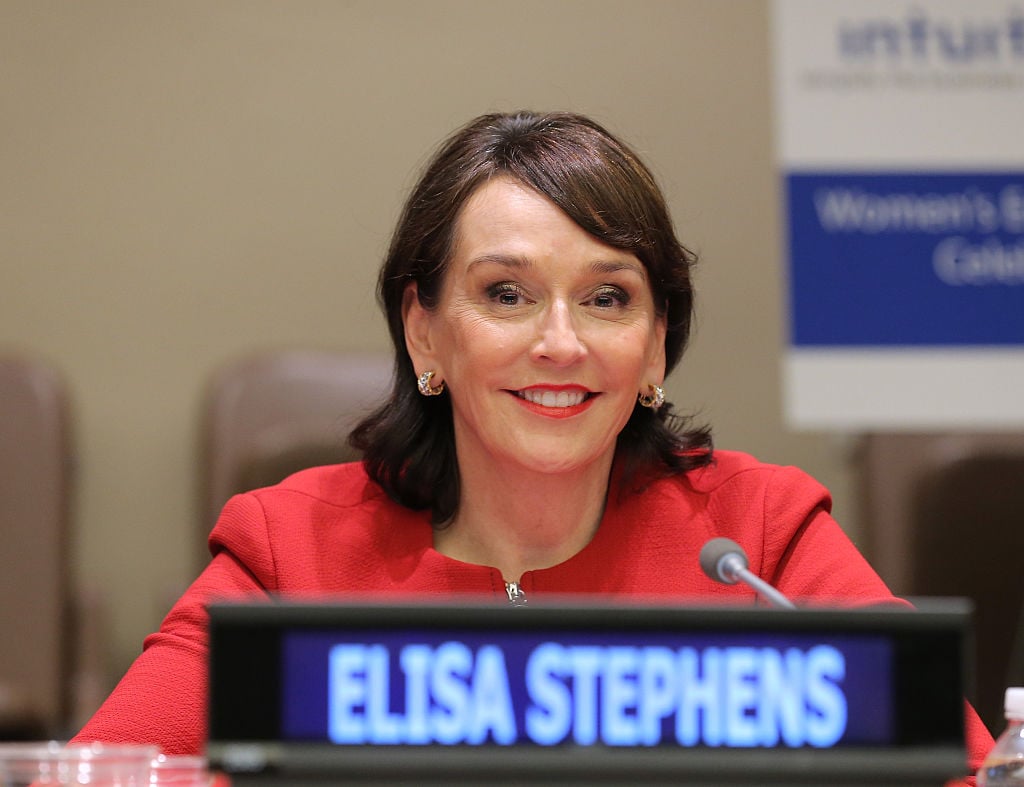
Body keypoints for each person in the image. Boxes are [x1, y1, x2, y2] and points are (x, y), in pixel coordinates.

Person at [71, 110, 993, 781]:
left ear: (656, 344)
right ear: (425, 331)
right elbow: (99, 774)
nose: (562, 341)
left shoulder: (757, 538)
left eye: (607, 297)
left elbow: (969, 773)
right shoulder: (291, 548)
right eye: (506, 293)